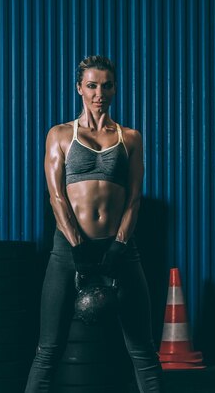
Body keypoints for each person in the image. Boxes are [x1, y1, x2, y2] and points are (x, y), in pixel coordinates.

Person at [25, 55, 164, 392]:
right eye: (91, 85)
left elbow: (134, 199)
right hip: (69, 250)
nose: (99, 92)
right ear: (79, 89)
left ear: (115, 89)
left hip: (118, 250)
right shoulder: (59, 135)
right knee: (49, 350)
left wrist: (119, 245)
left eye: (106, 85)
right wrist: (77, 247)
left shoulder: (130, 138)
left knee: (143, 349)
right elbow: (56, 197)